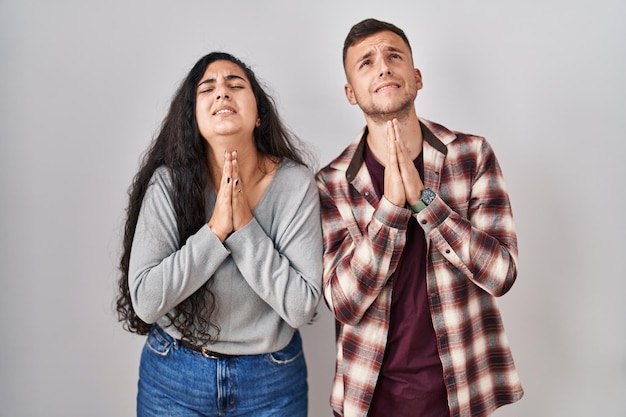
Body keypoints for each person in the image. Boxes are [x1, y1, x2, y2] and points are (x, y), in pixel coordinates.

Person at [316, 18, 523, 417]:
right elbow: (343, 302)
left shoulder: (472, 154)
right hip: (370, 396)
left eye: (394, 55)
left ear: (417, 76)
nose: (382, 67)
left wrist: (426, 201)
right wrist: (392, 209)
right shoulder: (332, 183)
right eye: (366, 63)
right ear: (350, 93)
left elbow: (502, 273)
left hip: (461, 390)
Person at [115, 51, 323, 417]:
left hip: (271, 381)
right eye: (207, 88)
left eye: (235, 85)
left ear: (259, 115)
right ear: (193, 118)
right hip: (174, 379)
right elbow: (146, 301)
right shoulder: (168, 183)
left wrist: (243, 228)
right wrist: (215, 232)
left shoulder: (295, 184)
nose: (222, 93)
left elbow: (301, 306)